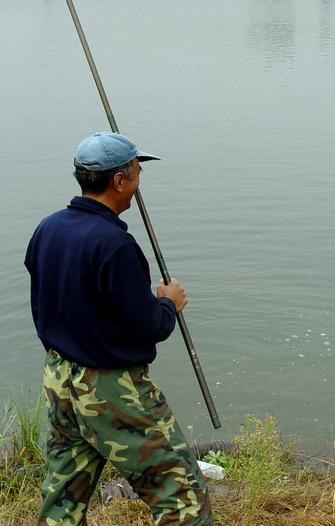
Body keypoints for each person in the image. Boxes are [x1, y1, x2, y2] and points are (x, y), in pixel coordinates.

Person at [25, 132, 212, 525]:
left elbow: (48, 304)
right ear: (119, 180)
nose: (139, 182)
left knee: (63, 497)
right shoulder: (114, 244)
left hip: (59, 380)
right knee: (181, 494)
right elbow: (148, 327)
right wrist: (169, 303)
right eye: (138, 172)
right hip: (111, 388)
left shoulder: (48, 228)